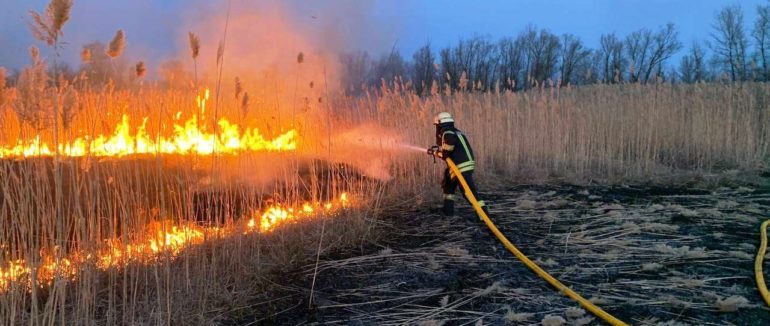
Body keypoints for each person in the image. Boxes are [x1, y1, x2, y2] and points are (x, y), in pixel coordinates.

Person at [428, 112, 490, 219]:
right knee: (448, 184)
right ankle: (448, 211)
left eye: (437, 126)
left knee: (468, 192)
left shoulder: (447, 132)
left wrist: (437, 153)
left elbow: (447, 150)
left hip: (461, 166)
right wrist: (439, 151)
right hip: (460, 165)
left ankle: (483, 215)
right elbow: (449, 148)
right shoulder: (455, 131)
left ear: (440, 124)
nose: (436, 128)